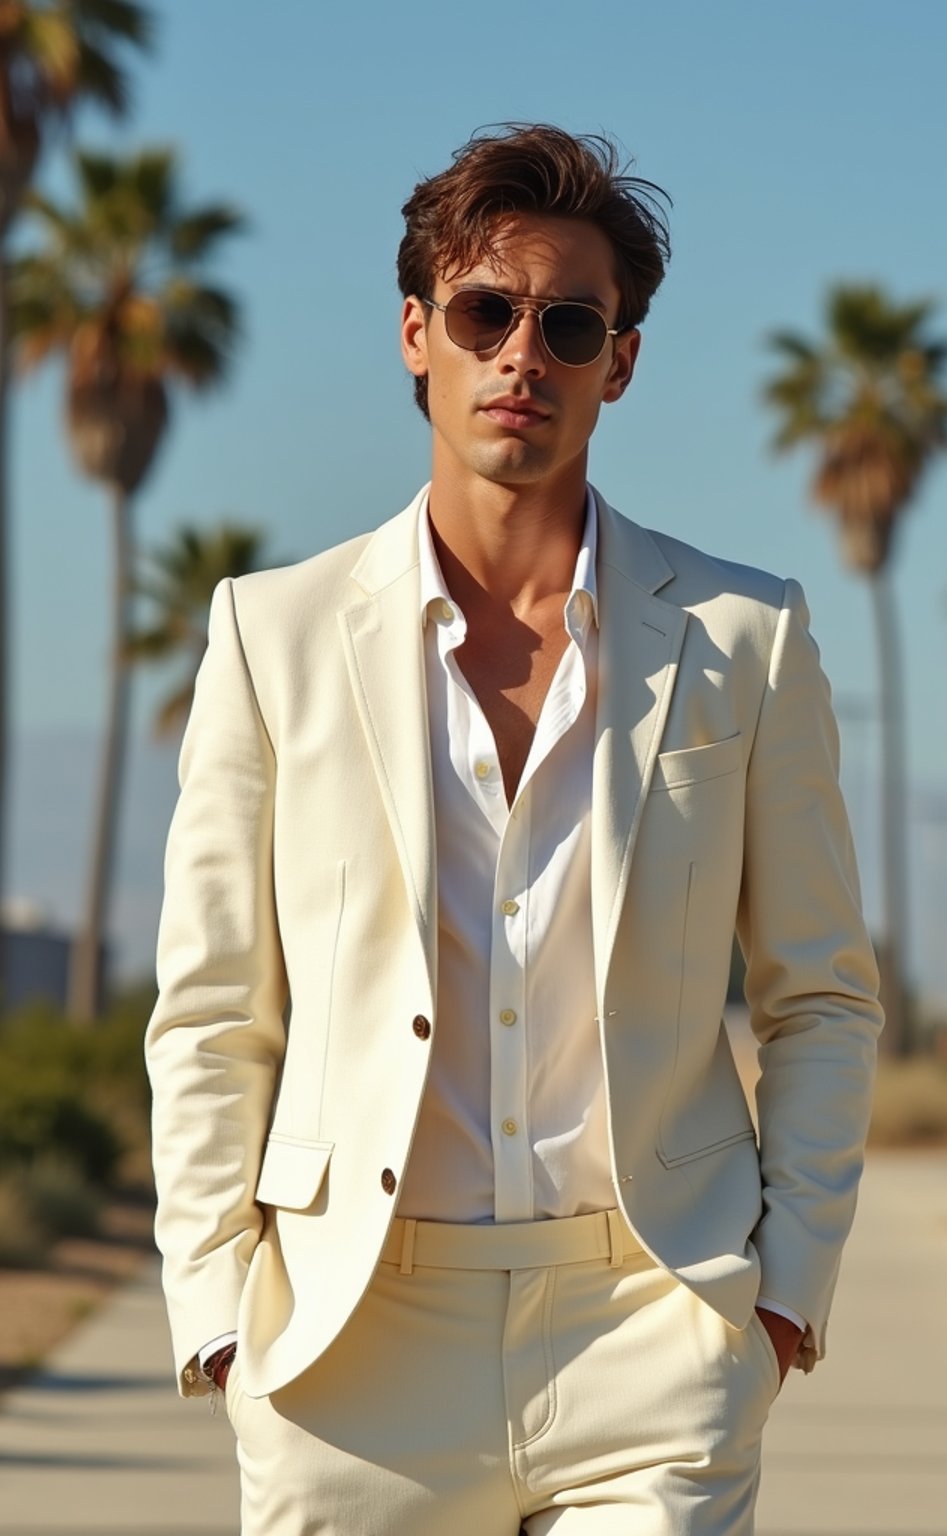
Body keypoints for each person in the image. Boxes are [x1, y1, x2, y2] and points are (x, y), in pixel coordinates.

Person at [145, 123, 883, 1535]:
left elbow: (823, 994)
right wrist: (218, 1314)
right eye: (487, 313)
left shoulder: (743, 637)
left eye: (570, 322)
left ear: (622, 360)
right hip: (352, 1346)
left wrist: (784, 1299)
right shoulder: (274, 635)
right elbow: (212, 1010)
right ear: (420, 334)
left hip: (649, 1326)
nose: (522, 356)